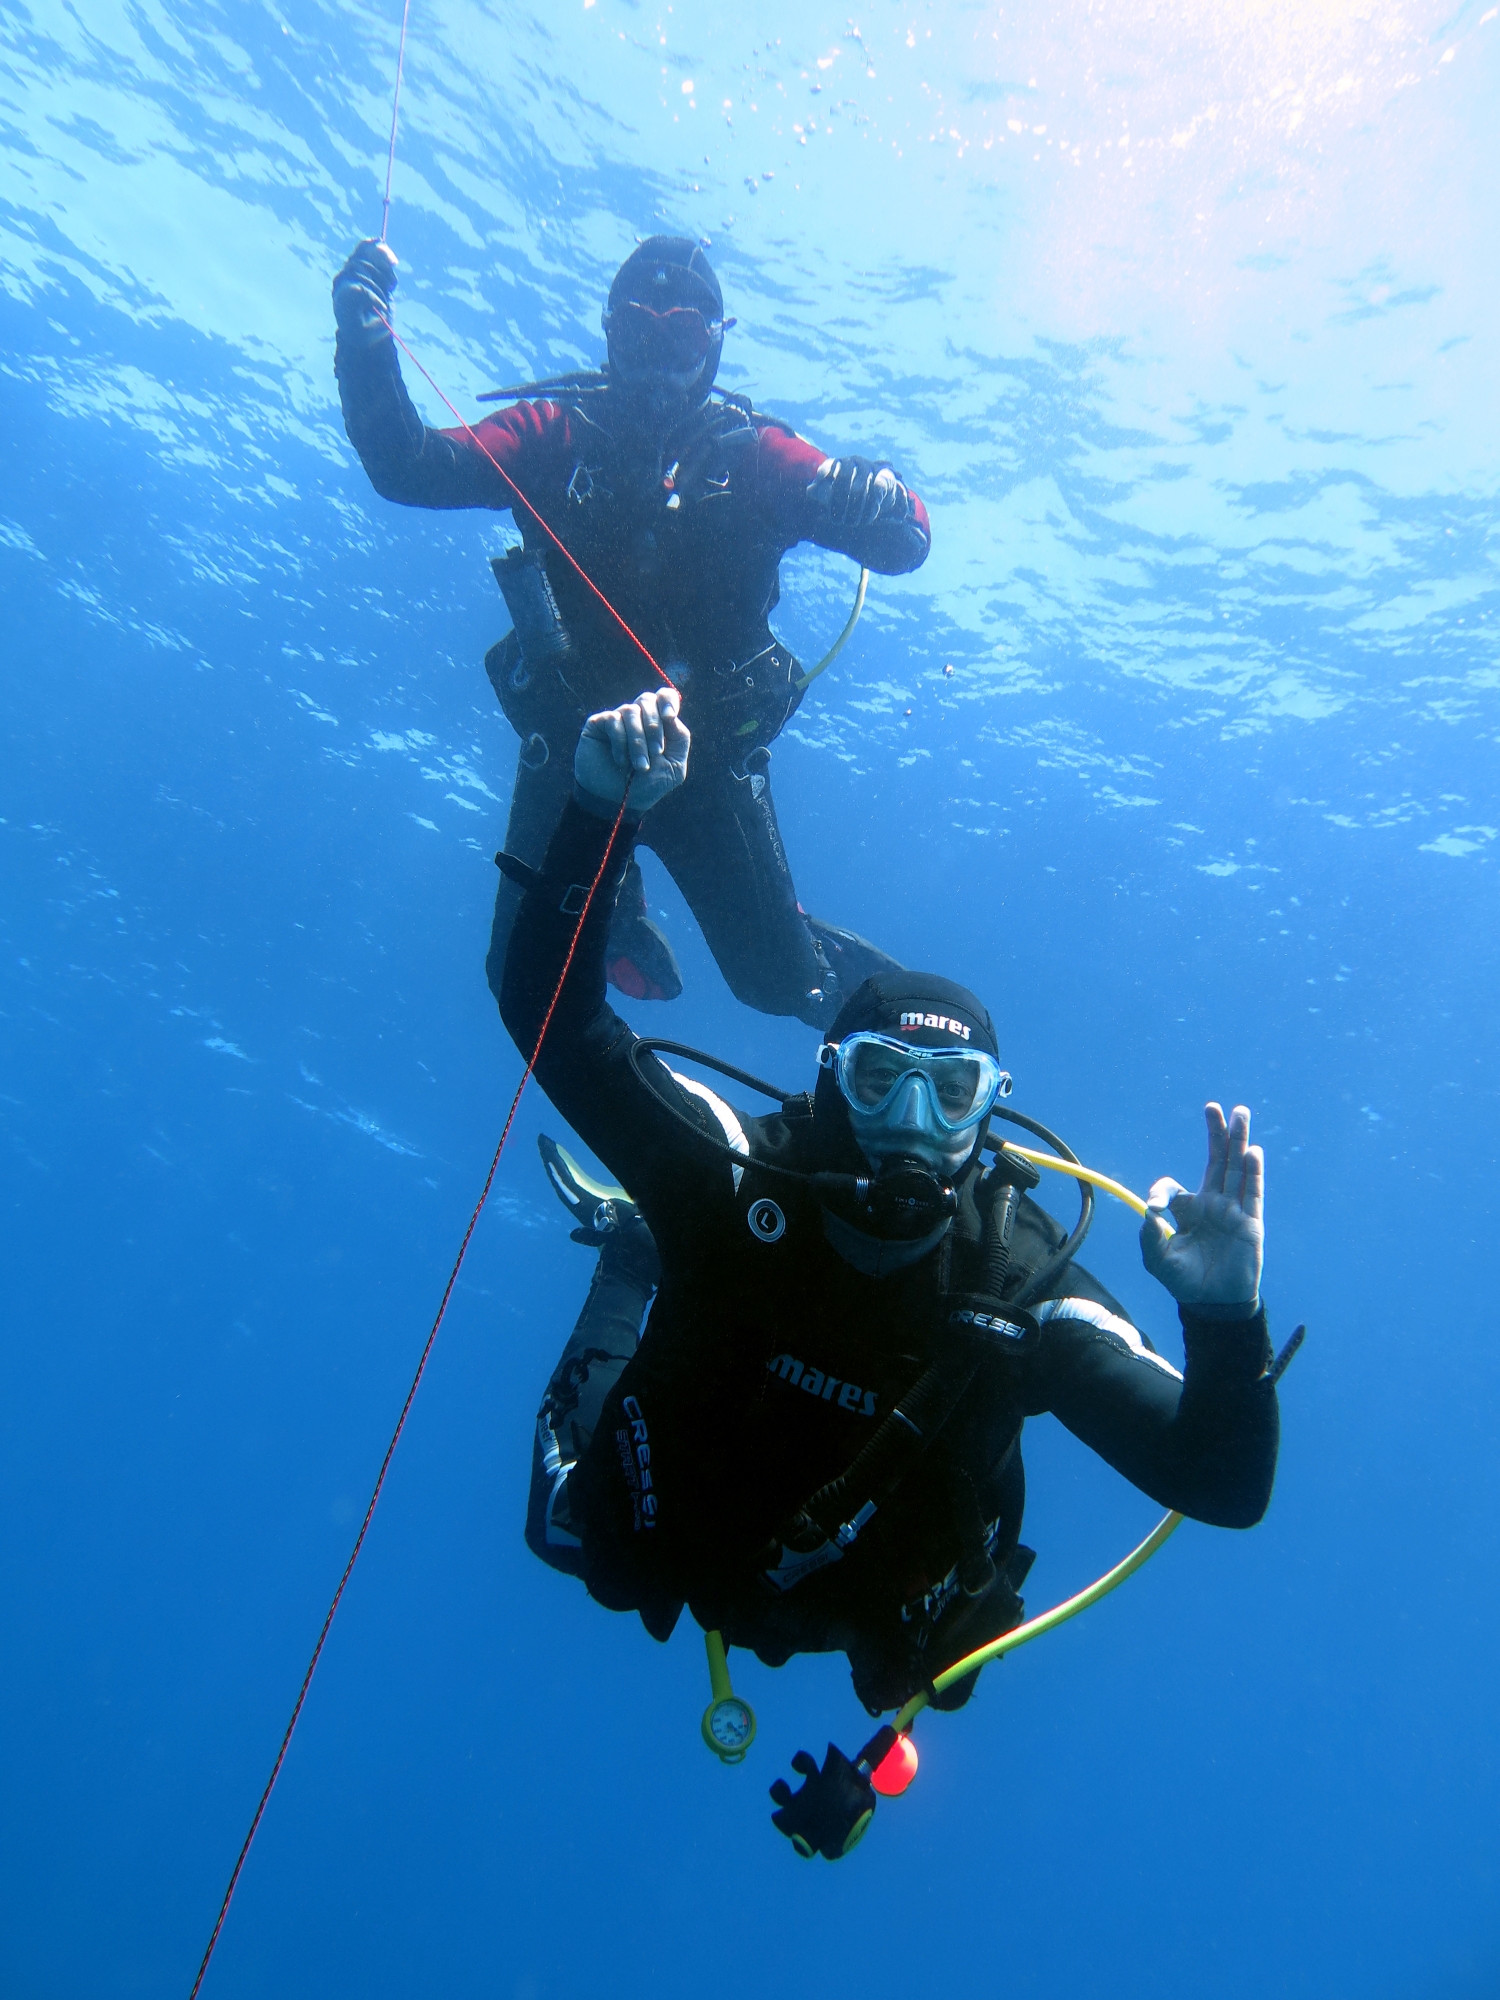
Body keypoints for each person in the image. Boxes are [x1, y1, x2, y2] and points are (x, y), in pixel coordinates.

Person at [502, 689, 1282, 1799]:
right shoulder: (732, 1174)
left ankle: (640, 1230)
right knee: (576, 1534)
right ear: (830, 1080)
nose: (911, 1123)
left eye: (950, 1093)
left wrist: (1223, 1313)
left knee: (927, 1663)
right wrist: (596, 811)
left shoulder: (1019, 1282)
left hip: (847, 1603)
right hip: (672, 1526)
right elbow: (552, 1014)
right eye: (879, 1079)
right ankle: (637, 1236)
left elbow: (1225, 1479)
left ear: (988, 1110)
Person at [332, 233, 932, 1026]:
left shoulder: (753, 455)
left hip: (706, 760)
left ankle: (872, 1020)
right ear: (612, 334)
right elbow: (407, 467)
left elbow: (903, 543)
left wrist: (870, 489)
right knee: (523, 978)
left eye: (682, 335)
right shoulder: (554, 434)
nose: (659, 358)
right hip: (572, 744)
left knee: (777, 987)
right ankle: (611, 900)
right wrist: (364, 335)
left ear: (715, 345)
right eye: (641, 333)